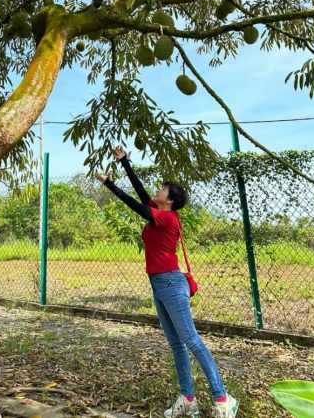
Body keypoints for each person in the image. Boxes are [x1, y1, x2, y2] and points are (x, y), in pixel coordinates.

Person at [95, 146, 239, 418]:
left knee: (191, 340)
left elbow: (134, 204)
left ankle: (223, 399)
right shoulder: (158, 212)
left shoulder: (167, 218)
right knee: (176, 343)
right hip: (159, 283)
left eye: (162, 190)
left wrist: (111, 186)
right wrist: (125, 163)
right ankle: (188, 398)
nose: (158, 191)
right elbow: (140, 193)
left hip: (171, 283)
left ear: (170, 200)